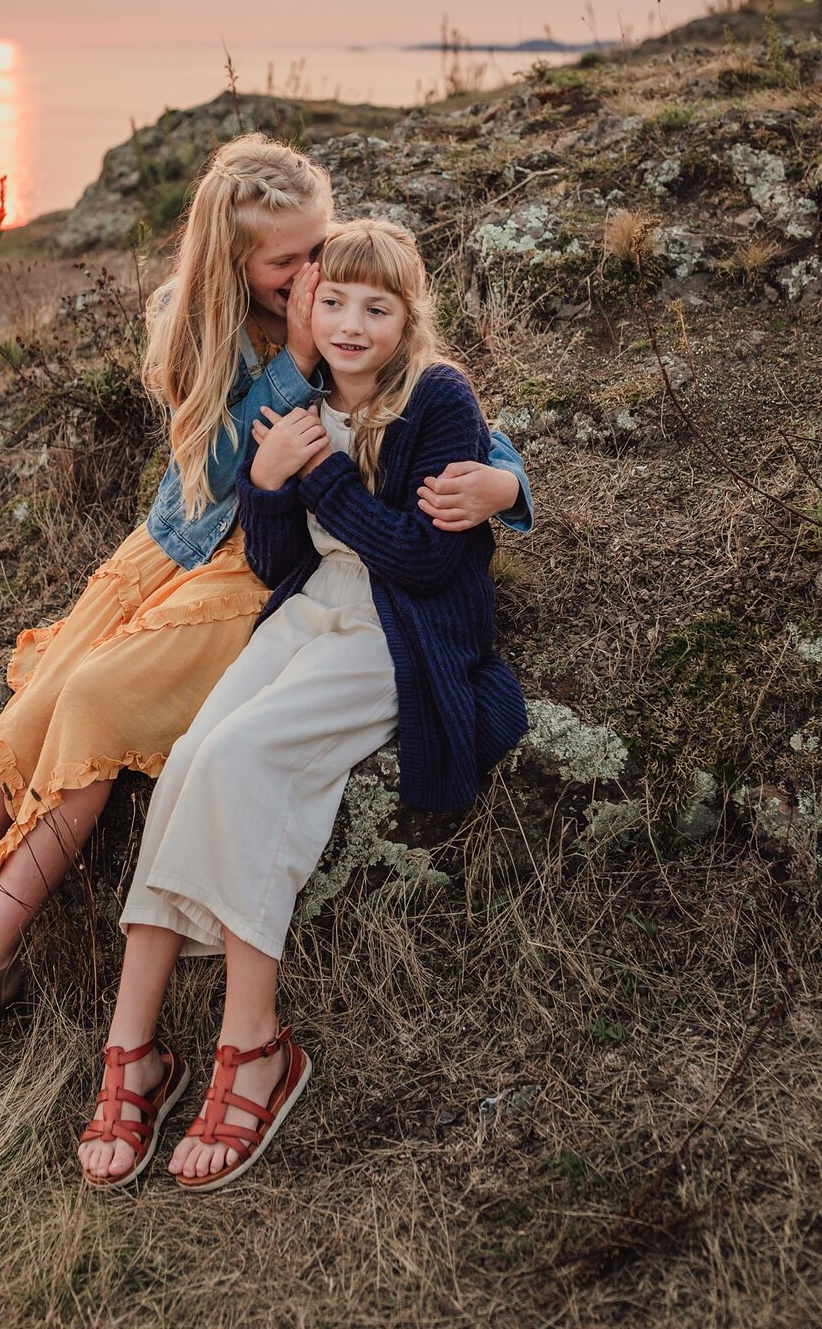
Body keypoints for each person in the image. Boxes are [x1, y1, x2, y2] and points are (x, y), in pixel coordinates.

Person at [0, 135, 531, 1089]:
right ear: (233, 262)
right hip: (173, 552)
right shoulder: (194, 320)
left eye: (317, 249)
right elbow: (213, 472)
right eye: (288, 263)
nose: (313, 275)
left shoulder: (343, 311)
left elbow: (441, 403)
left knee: (92, 703)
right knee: (29, 715)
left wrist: (506, 484)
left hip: (252, 571)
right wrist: (289, 358)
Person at [75, 218, 526, 1190]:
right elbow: (279, 562)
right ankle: (134, 1045)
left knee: (247, 761)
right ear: (307, 311)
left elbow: (421, 557)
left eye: (378, 305)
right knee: (194, 754)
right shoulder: (301, 400)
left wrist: (316, 471)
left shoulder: (439, 397)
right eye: (336, 302)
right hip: (311, 608)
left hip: (395, 631)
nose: (354, 323)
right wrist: (270, 490)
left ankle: (257, 1046)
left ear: (411, 317)